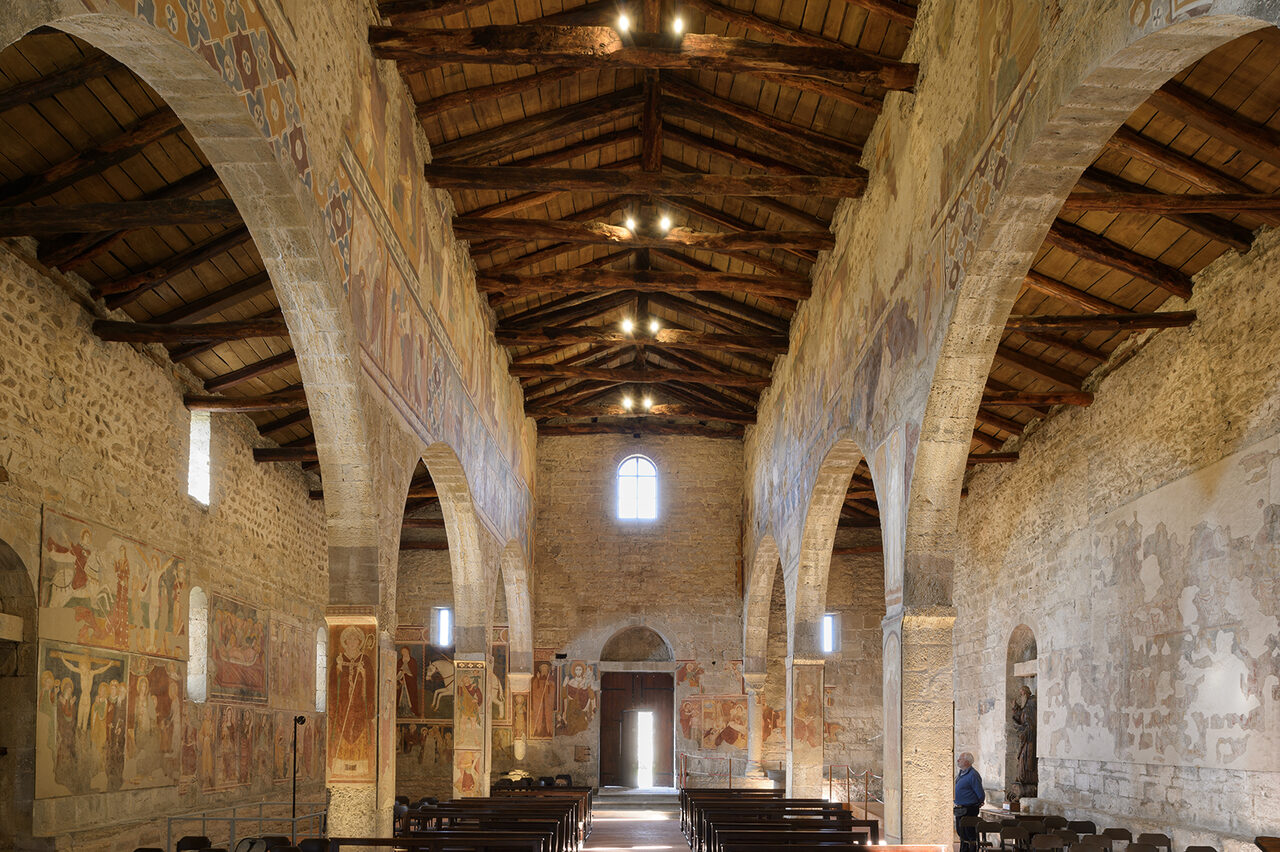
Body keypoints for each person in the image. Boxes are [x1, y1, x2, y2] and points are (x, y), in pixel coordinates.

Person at [954, 751, 985, 852]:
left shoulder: (973, 775)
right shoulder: (961, 774)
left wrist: (979, 802)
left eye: (961, 759)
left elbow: (980, 792)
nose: (958, 760)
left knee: (969, 834)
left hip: (969, 809)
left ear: (967, 762)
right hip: (960, 808)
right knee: (961, 833)